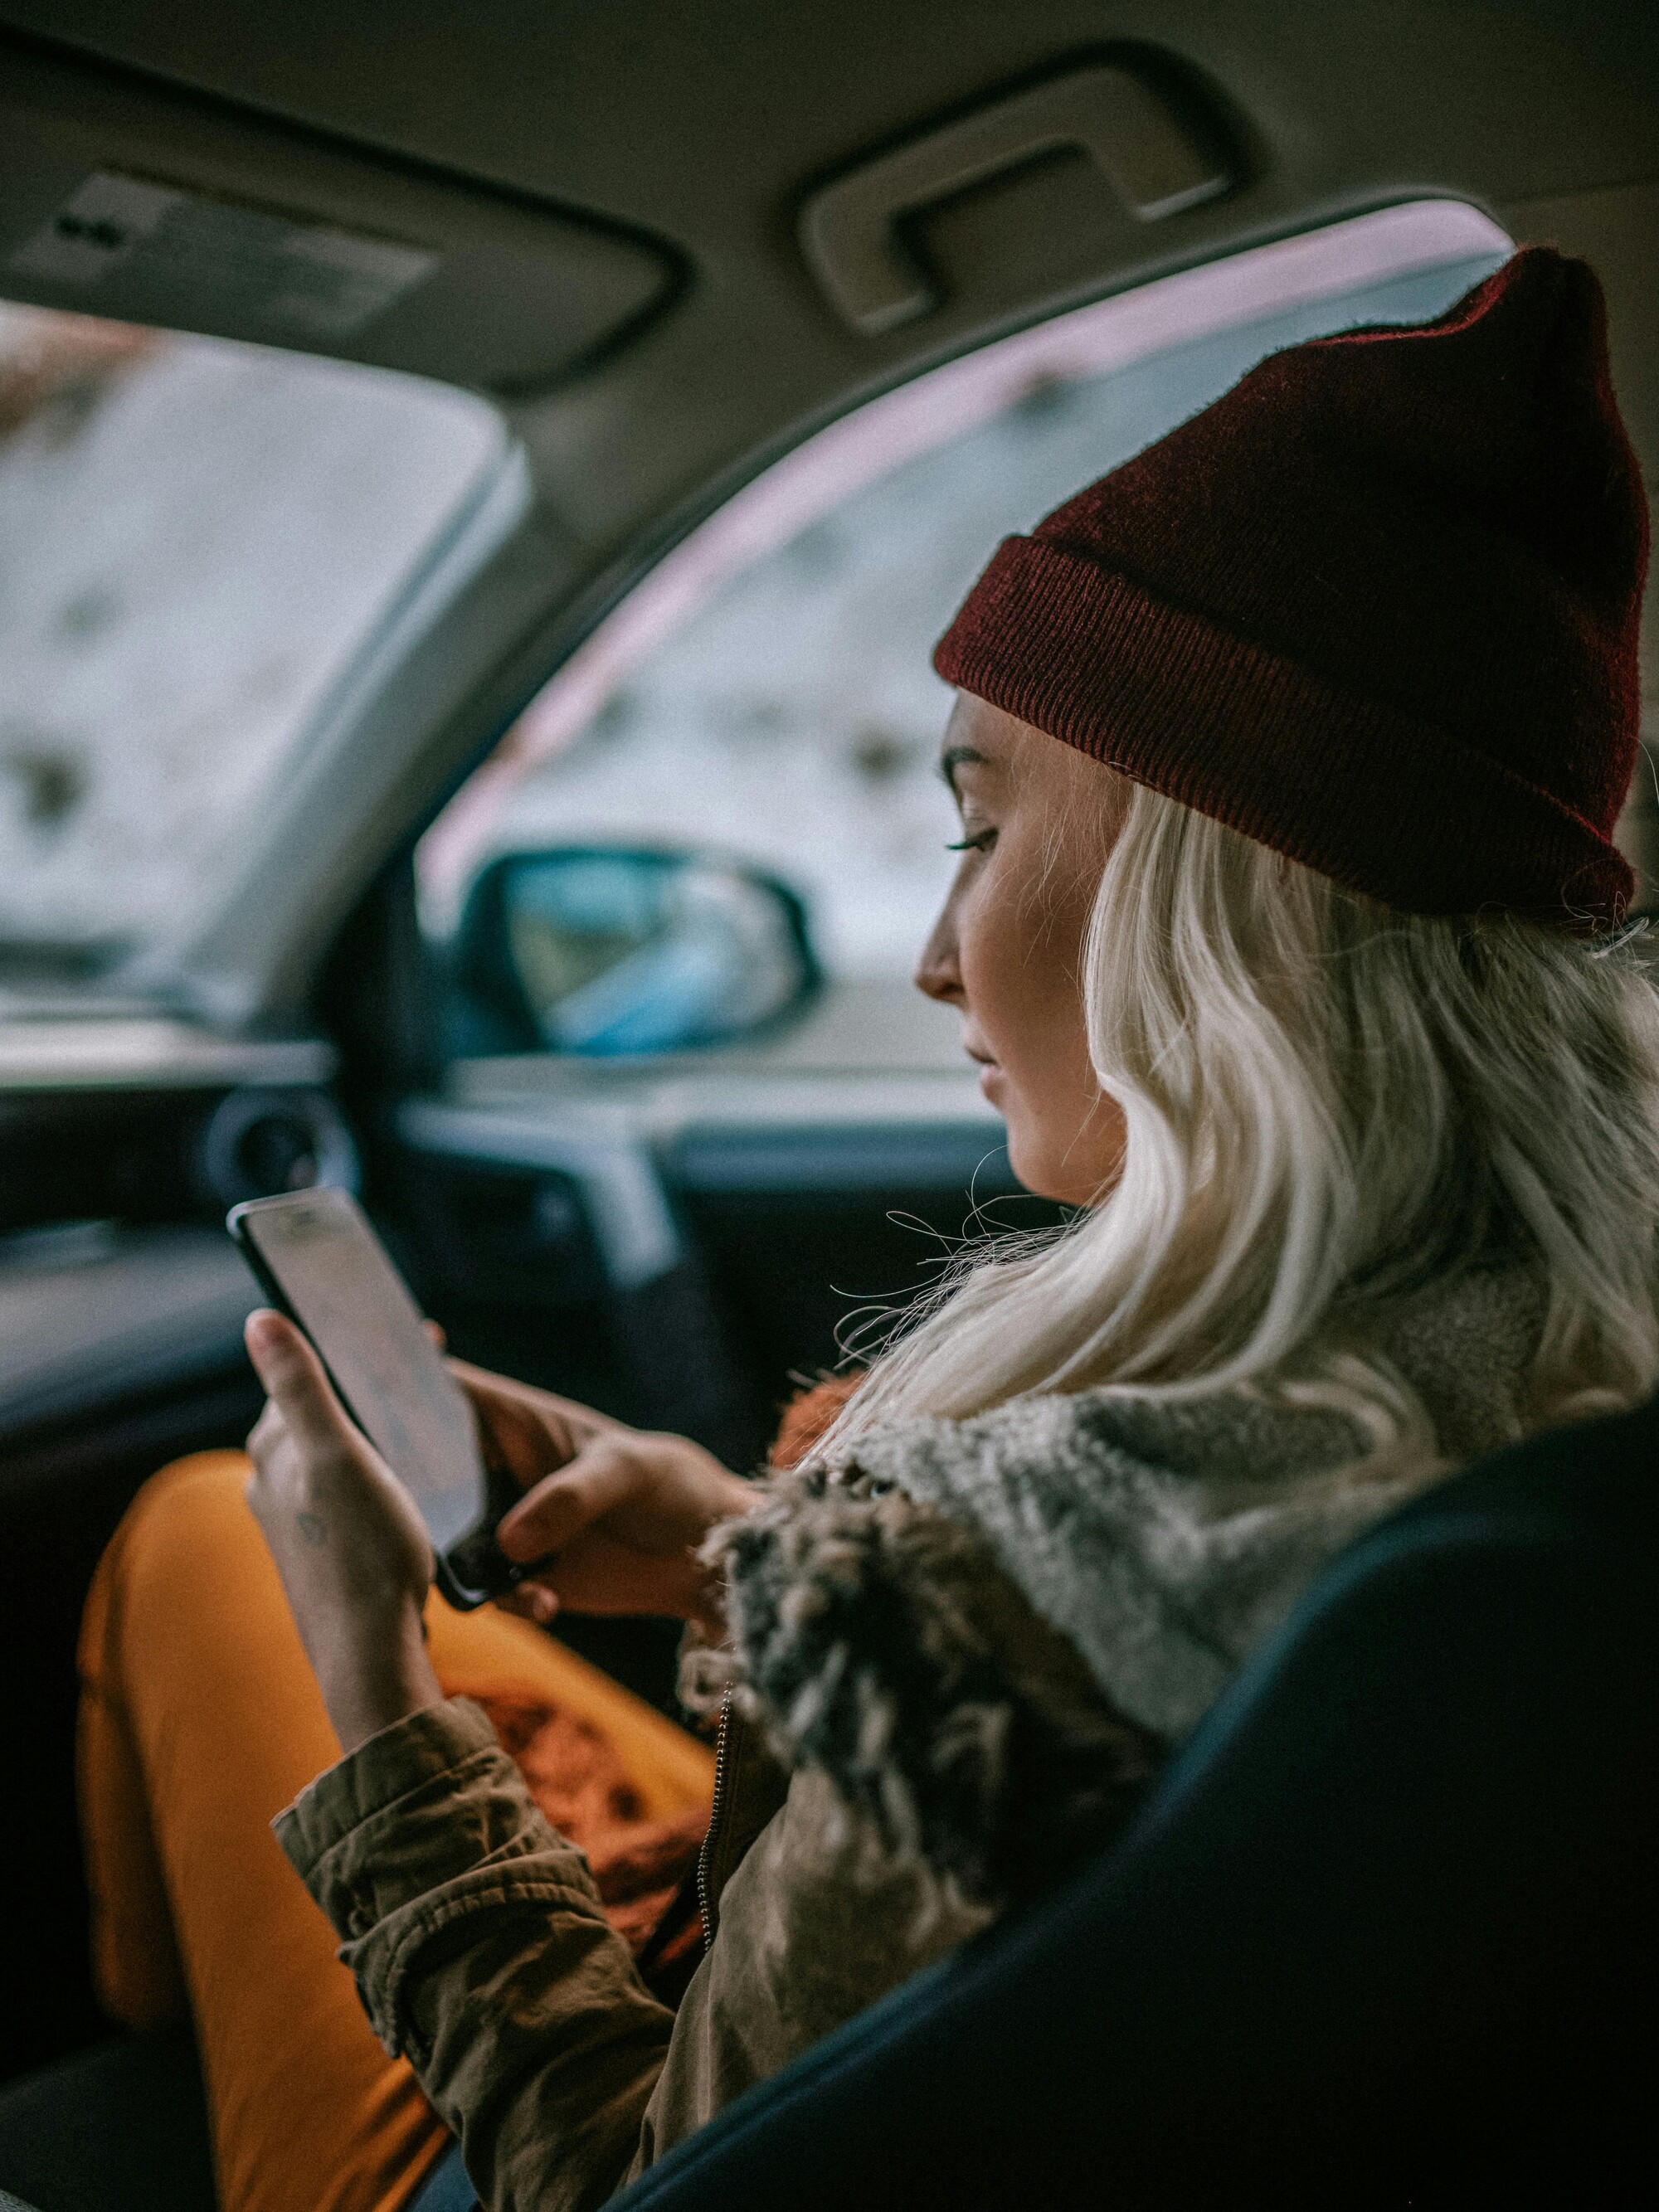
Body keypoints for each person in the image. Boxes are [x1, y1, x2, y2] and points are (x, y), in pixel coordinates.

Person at [80, 246, 1659, 2212]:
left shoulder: (997, 1565)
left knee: (204, 1535)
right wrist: (755, 1561)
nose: (928, 954)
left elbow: (629, 2177)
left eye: (981, 834)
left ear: (1220, 903)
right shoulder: (1540, 1405)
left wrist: (373, 1692)